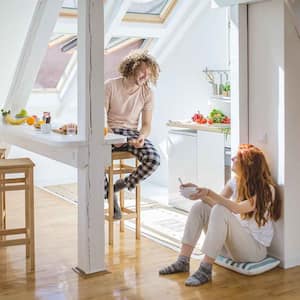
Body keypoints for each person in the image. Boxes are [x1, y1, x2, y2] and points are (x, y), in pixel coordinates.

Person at [159, 144, 281, 286]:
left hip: (253, 251)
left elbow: (237, 208)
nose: (233, 158)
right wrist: (198, 193)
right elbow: (213, 202)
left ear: (248, 164)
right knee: (201, 207)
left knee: (221, 209)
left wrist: (209, 192)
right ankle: (183, 261)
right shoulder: (235, 181)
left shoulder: (267, 190)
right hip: (231, 249)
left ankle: (205, 269)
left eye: (237, 157)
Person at [104, 50, 161, 219]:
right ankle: (110, 196)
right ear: (132, 67)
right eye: (143, 71)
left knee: (154, 159)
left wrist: (142, 136)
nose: (145, 76)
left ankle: (122, 184)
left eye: (149, 73)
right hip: (110, 131)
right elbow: (101, 117)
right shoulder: (111, 85)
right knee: (96, 159)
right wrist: (110, 136)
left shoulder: (147, 93)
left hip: (132, 134)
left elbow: (146, 125)